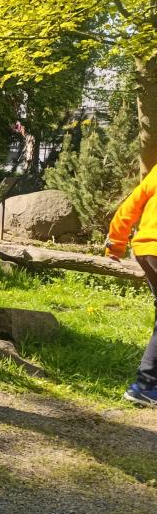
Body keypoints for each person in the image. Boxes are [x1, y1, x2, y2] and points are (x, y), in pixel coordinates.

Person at [106, 165, 157, 406]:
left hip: (145, 249)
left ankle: (146, 385)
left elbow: (130, 206)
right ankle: (145, 387)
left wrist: (116, 243)